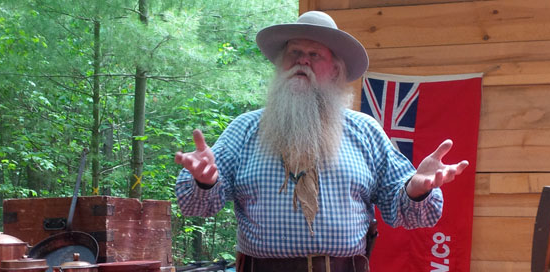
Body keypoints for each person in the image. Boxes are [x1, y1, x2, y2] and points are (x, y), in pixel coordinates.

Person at [174, 11, 468, 272]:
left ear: (336, 70)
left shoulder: (364, 130)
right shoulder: (245, 129)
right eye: (294, 52)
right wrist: (203, 181)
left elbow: (410, 213)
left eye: (315, 55)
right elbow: (194, 207)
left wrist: (416, 190)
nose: (302, 60)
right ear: (280, 63)